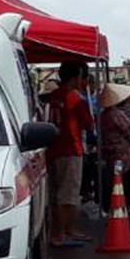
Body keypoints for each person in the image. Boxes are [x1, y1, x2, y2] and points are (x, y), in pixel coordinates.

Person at [47, 61, 92, 246]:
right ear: (78, 76)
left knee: (56, 193)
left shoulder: (52, 96)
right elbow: (88, 122)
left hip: (52, 149)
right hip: (71, 150)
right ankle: (62, 234)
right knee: (68, 194)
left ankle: (63, 231)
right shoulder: (74, 97)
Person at [97, 82, 130, 211]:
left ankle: (121, 210)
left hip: (111, 156)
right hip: (125, 156)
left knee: (118, 183)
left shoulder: (103, 116)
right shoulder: (117, 115)